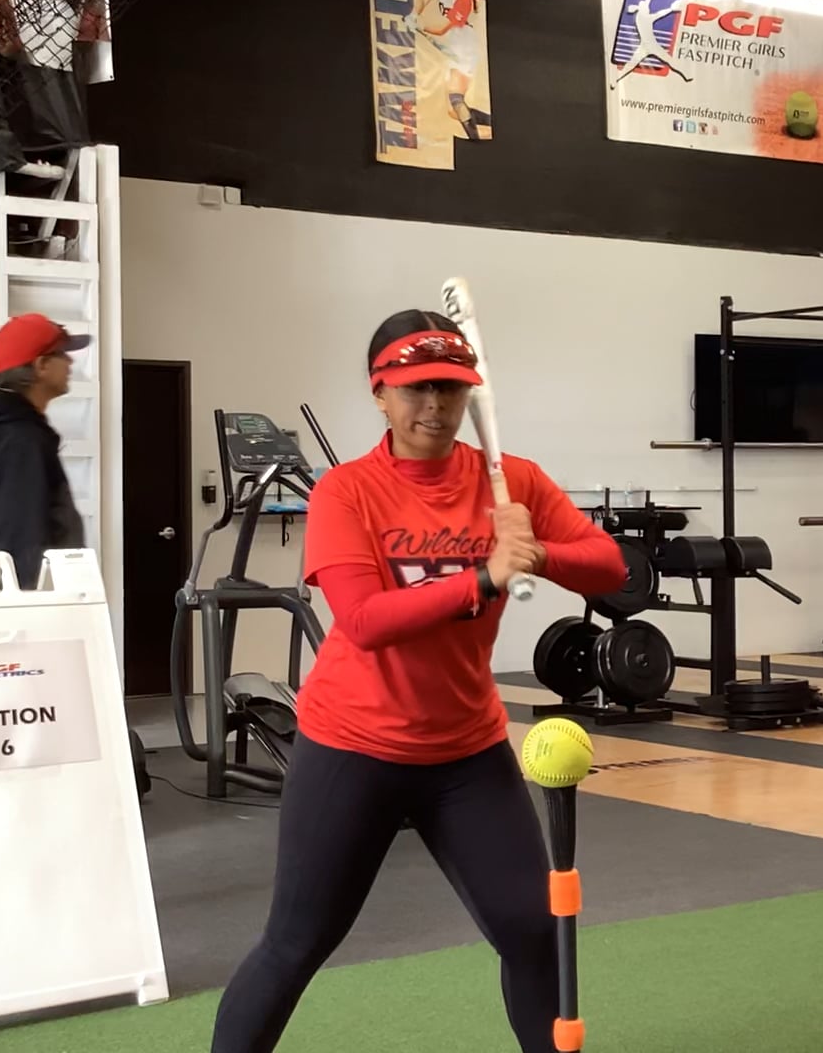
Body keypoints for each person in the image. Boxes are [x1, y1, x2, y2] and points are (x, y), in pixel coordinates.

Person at [209, 310, 626, 1053]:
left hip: (466, 752)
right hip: (353, 747)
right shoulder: (346, 491)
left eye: (450, 388)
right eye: (415, 389)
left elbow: (609, 566)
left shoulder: (514, 481)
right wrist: (484, 577)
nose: (434, 405)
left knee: (534, 931)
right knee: (296, 942)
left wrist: (537, 553)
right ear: (379, 393)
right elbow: (365, 619)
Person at [0, 313, 90, 589]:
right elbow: (22, 539)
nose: (70, 362)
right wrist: (30, 605)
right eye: (62, 353)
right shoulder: (20, 439)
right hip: (19, 603)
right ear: (41, 365)